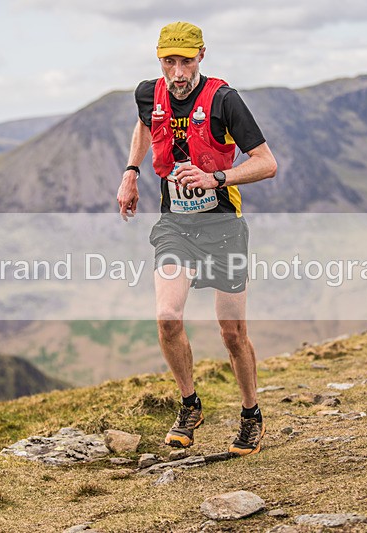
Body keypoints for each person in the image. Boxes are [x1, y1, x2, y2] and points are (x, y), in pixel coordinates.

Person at [116, 21, 277, 456]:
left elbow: (266, 163)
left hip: (223, 225)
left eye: (186, 60)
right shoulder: (149, 92)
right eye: (169, 61)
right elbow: (146, 125)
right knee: (167, 317)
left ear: (201, 55)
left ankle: (250, 415)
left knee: (232, 333)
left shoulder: (225, 100)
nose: (178, 71)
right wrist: (131, 174)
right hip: (175, 224)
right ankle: (190, 406)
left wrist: (216, 177)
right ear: (160, 60)